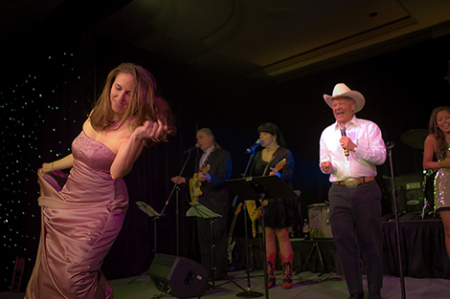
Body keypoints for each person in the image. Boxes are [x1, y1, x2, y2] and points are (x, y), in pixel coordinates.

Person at [25, 63, 175, 299]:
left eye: (130, 93)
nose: (121, 96)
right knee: (53, 266)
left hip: (102, 207)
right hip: (71, 199)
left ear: (139, 98)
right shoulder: (98, 113)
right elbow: (81, 154)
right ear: (110, 86)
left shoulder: (134, 129)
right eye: (118, 88)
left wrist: (136, 137)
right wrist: (50, 166)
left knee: (75, 275)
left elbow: (116, 172)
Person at [319, 83, 386, 299]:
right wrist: (325, 166)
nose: (337, 107)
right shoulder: (327, 133)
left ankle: (375, 290)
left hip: (366, 188)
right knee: (344, 242)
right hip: (338, 191)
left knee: (371, 241)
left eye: (341, 103)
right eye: (334, 104)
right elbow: (324, 159)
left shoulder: (369, 128)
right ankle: (355, 291)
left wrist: (355, 146)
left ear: (353, 105)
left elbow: (381, 157)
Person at [171, 128, 232, 280]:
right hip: (202, 202)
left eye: (201, 137)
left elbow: (226, 177)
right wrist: (185, 180)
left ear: (211, 138)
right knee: (204, 237)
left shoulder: (223, 154)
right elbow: (197, 180)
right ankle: (206, 270)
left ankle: (221, 271)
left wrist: (210, 178)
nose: (198, 141)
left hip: (218, 202)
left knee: (218, 236)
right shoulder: (199, 156)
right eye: (197, 138)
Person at [250, 122, 299, 289]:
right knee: (267, 234)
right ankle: (269, 274)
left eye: (264, 134)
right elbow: (253, 176)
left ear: (274, 136)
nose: (261, 137)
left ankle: (287, 273)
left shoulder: (285, 153)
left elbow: (288, 174)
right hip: (265, 199)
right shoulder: (257, 155)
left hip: (280, 198)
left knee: (282, 234)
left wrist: (278, 175)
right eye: (260, 134)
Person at [423, 106, 450, 261]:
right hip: (445, 184)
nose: (445, 122)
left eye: (447, 117)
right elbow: (426, 164)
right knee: (449, 230)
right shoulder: (432, 139)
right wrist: (444, 163)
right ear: (436, 124)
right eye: (440, 120)